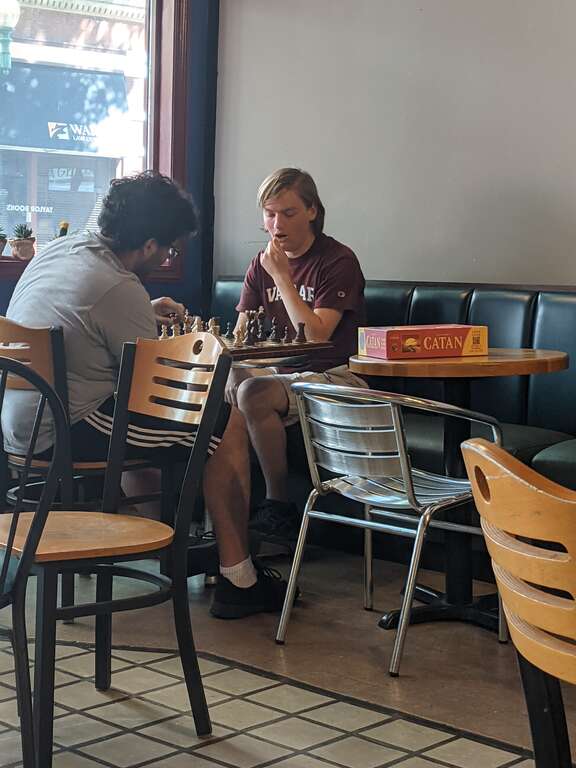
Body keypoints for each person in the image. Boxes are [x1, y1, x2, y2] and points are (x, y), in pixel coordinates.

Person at [3, 170, 288, 619]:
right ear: (149, 244)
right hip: (66, 427)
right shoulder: (119, 286)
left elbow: (86, 319)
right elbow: (158, 386)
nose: (167, 257)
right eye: (169, 248)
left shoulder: (60, 250)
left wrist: (143, 313)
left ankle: (167, 546)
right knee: (225, 420)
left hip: (21, 425)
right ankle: (239, 576)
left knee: (137, 417)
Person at [229, 168, 367, 542]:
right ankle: (233, 510)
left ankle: (279, 506)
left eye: (288, 213)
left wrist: (282, 278)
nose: (277, 225)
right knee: (229, 378)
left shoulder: (337, 260)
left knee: (252, 392)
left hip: (336, 375)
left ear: (312, 211)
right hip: (284, 373)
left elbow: (318, 334)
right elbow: (241, 339)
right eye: (270, 214)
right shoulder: (260, 264)